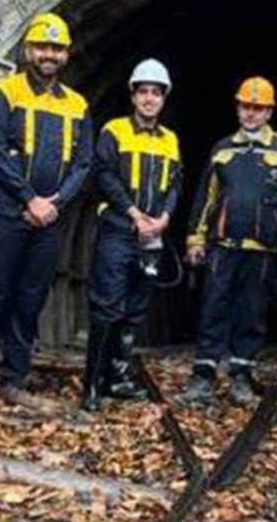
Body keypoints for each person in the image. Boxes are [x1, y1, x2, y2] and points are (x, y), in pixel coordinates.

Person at [0, 12, 93, 410]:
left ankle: (13, 378)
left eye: (56, 48)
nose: (49, 55)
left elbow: (84, 164)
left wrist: (55, 202)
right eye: (42, 46)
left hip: (50, 217)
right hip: (5, 211)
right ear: (28, 50)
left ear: (66, 54)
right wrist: (28, 199)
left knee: (30, 297)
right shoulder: (5, 93)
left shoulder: (77, 105)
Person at [180, 77, 277, 407]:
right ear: (238, 108)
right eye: (246, 106)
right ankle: (203, 375)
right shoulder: (222, 149)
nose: (251, 114)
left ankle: (242, 376)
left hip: (263, 249)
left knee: (253, 312)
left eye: (258, 108)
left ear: (269, 111)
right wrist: (195, 238)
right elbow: (206, 197)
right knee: (213, 307)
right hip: (224, 246)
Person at [81, 59, 182, 411]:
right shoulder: (115, 131)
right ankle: (92, 386)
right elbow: (105, 176)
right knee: (107, 305)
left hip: (151, 236)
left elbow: (175, 182)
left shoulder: (170, 140)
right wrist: (135, 214)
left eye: (156, 93)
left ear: (163, 98)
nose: (149, 99)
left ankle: (118, 377)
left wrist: (165, 218)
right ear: (133, 95)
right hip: (119, 231)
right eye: (144, 92)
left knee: (135, 309)